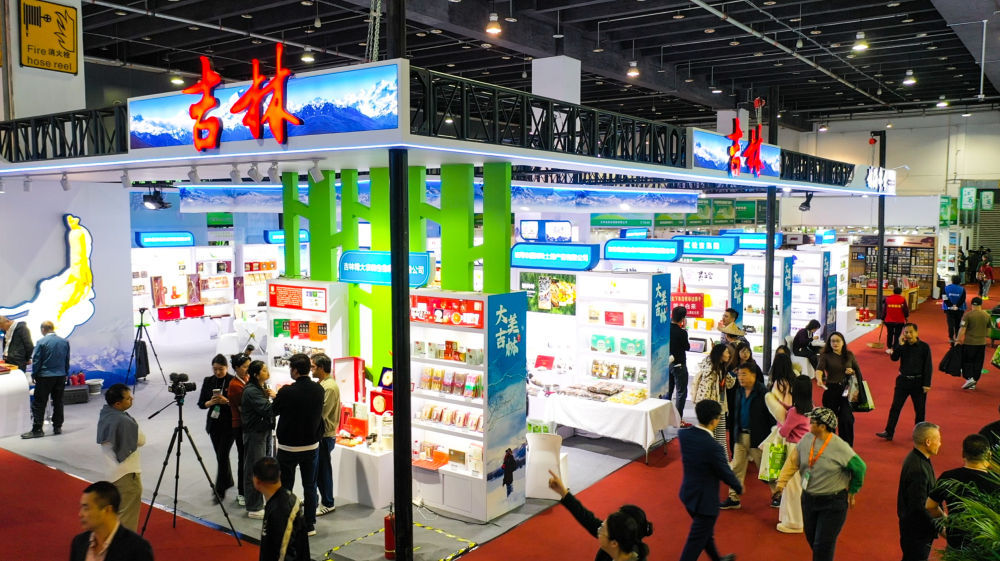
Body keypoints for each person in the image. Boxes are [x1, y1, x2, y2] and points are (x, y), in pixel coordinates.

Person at [773, 408, 866, 561]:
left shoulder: (840, 447)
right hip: (808, 500)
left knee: (822, 545)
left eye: (813, 421)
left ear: (823, 426)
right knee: (812, 539)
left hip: (832, 503)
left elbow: (860, 468)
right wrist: (781, 484)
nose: (809, 423)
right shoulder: (806, 439)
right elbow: (793, 461)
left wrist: (852, 491)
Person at [678, 400, 742, 561]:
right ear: (714, 420)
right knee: (695, 541)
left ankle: (717, 559)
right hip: (705, 503)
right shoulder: (714, 447)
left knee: (704, 533)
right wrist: (738, 487)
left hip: (688, 495)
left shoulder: (684, 435)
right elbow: (725, 472)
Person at [547, 468, 653, 561]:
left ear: (614, 543)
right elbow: (588, 519)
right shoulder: (619, 544)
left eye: (602, 529)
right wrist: (564, 493)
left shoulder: (614, 541)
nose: (598, 530)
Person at [273, 353, 324, 537]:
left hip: (288, 447)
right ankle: (310, 524)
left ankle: (287, 522)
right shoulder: (319, 389)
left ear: (294, 370)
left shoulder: (286, 391)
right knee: (310, 486)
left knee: (286, 487)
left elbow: (273, 410)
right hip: (311, 446)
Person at [926, 434, 1000, 553]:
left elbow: (930, 506)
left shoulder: (948, 477)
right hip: (986, 547)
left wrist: (947, 522)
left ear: (963, 454)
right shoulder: (996, 483)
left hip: (956, 543)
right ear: (989, 455)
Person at [721, 362, 775, 510]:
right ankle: (733, 498)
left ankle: (778, 495)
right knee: (736, 467)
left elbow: (771, 417)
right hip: (740, 435)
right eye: (739, 374)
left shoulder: (763, 393)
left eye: (744, 374)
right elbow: (736, 413)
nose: (740, 377)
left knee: (764, 469)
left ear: (754, 375)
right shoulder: (739, 391)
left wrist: (770, 438)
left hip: (758, 437)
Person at [96, 384, 145, 532]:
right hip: (127, 475)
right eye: (128, 398)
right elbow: (141, 440)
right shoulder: (124, 421)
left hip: (112, 473)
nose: (132, 399)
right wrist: (134, 423)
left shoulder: (106, 414)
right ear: (117, 404)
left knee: (116, 515)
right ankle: (123, 545)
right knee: (127, 519)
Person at [70, 481, 154, 561]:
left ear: (107, 510)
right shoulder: (79, 542)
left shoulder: (137, 549)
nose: (80, 514)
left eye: (86, 508)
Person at [878, 323, 933, 441]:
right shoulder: (902, 345)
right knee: (895, 407)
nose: (908, 335)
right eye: (906, 332)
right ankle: (889, 432)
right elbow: (894, 358)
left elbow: (928, 366)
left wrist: (927, 384)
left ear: (916, 333)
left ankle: (919, 434)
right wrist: (899, 345)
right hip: (903, 381)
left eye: (910, 332)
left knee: (920, 411)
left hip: (918, 382)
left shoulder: (924, 347)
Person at [774, 375, 814, 534]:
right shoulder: (811, 408)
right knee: (802, 486)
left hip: (794, 450)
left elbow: (784, 432)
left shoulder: (795, 412)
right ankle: (801, 519)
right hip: (809, 449)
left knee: (791, 487)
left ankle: (793, 522)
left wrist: (779, 422)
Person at [896, 422, 941, 561]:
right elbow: (919, 507)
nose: (940, 444)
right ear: (928, 442)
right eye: (938, 440)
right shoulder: (919, 469)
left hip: (912, 529)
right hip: (918, 532)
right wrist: (940, 527)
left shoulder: (915, 458)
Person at [253, 456, 311, 561]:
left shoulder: (280, 512)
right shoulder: (285, 499)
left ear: (256, 481)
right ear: (279, 474)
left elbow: (283, 554)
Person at [198, 354, 235, 502]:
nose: (218, 372)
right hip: (213, 425)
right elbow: (201, 404)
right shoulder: (208, 381)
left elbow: (239, 404)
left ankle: (220, 489)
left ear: (227, 367)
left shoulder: (232, 381)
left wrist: (226, 402)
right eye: (215, 369)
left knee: (222, 455)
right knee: (221, 456)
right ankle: (229, 480)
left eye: (221, 369)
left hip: (230, 424)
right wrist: (210, 403)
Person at [22, 320, 69, 439]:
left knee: (39, 403)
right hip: (60, 375)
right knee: (58, 402)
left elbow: (37, 360)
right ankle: (57, 427)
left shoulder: (41, 342)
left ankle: (37, 429)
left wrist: (34, 374)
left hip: (45, 376)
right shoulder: (64, 342)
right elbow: (66, 359)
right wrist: (65, 373)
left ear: (43, 329)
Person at [242, 360, 276, 519]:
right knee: (254, 469)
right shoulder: (251, 391)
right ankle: (254, 507)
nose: (267, 372)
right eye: (264, 370)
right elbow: (268, 409)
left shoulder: (261, 388)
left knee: (263, 468)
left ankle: (259, 502)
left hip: (263, 431)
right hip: (255, 433)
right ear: (256, 374)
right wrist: (279, 398)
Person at [814, 331, 859, 446]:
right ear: (829, 343)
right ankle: (830, 445)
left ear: (843, 342)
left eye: (838, 341)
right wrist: (819, 379)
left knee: (846, 419)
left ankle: (846, 446)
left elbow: (857, 371)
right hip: (831, 390)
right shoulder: (826, 356)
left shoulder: (849, 355)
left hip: (846, 390)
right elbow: (819, 369)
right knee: (830, 420)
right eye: (832, 341)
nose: (835, 343)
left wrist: (852, 371)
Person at [762, 353, 795, 507]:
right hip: (796, 427)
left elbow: (777, 406)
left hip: (781, 428)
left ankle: (778, 495)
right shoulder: (795, 381)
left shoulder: (778, 384)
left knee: (776, 464)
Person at [310, 353, 340, 516]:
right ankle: (314, 499)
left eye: (313, 366)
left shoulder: (329, 387)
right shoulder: (322, 384)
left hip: (324, 435)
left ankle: (328, 502)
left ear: (321, 368)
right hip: (320, 434)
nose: (311, 369)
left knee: (323, 470)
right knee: (317, 470)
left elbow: (321, 412)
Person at [693, 344, 736, 455]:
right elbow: (705, 390)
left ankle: (720, 459)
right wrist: (706, 410)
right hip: (711, 409)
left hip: (720, 406)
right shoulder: (711, 369)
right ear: (720, 354)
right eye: (727, 352)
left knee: (719, 436)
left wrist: (730, 374)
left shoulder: (721, 368)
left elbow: (729, 384)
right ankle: (718, 460)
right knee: (712, 436)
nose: (729, 355)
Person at [228, 352, 252, 506]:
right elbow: (243, 408)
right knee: (243, 458)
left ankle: (249, 490)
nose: (247, 369)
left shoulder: (247, 379)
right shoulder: (235, 385)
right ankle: (242, 492)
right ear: (236, 368)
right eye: (244, 367)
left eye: (249, 366)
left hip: (248, 425)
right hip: (240, 426)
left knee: (249, 459)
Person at [957, 296, 991, 391]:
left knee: (967, 362)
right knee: (978, 363)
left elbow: (962, 329)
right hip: (981, 343)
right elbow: (988, 332)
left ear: (972, 304)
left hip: (969, 343)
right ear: (981, 304)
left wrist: (958, 340)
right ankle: (974, 381)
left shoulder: (968, 315)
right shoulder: (987, 315)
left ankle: (969, 378)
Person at [669, 305, 691, 420]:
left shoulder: (666, 329)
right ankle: (678, 419)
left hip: (668, 364)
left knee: (668, 391)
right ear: (683, 318)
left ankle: (664, 417)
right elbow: (687, 347)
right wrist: (685, 329)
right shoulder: (682, 332)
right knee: (681, 392)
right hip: (680, 365)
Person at [881, 286, 910, 353]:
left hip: (889, 320)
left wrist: (882, 318)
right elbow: (905, 309)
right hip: (899, 321)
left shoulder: (887, 299)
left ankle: (889, 347)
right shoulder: (902, 299)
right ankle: (895, 348)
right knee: (897, 335)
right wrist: (906, 316)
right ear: (900, 292)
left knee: (890, 334)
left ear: (893, 292)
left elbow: (884, 310)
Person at [942, 275, 967, 344]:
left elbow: (944, 298)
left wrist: (950, 305)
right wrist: (957, 306)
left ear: (952, 281)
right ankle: (957, 337)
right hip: (959, 309)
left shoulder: (946, 288)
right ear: (960, 281)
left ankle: (951, 338)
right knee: (958, 323)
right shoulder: (962, 289)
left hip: (949, 309)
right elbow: (963, 299)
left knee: (950, 324)